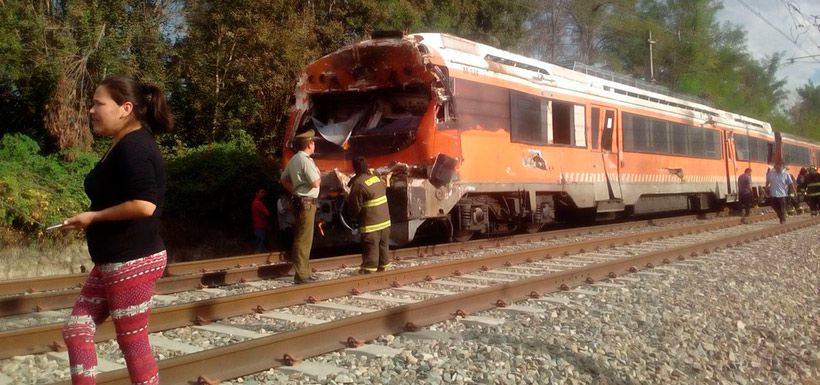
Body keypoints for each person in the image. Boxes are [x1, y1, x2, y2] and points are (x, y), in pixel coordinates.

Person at [60, 75, 171, 385]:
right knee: (76, 330)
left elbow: (145, 204)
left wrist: (93, 217)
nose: (91, 110)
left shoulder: (134, 146)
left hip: (132, 259)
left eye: (98, 103)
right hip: (114, 260)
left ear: (125, 108)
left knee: (133, 342)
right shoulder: (123, 142)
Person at [280, 129, 321, 284]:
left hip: (300, 201)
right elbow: (315, 182)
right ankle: (302, 274)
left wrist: (296, 192)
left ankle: (305, 271)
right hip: (308, 203)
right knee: (304, 239)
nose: (314, 144)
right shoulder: (306, 160)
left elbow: (283, 180)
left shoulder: (294, 159)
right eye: (313, 142)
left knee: (302, 236)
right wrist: (317, 175)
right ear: (309, 144)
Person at [346, 156, 392, 273]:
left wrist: (351, 217)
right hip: (385, 223)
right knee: (383, 250)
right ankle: (384, 271)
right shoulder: (376, 179)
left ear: (355, 169)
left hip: (371, 226)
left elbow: (355, 207)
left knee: (371, 252)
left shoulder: (358, 184)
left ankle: (368, 273)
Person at [251, 188, 271, 252]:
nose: (263, 194)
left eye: (263, 192)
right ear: (256, 193)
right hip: (260, 226)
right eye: (261, 192)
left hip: (258, 225)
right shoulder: (258, 203)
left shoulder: (255, 203)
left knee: (260, 244)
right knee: (260, 246)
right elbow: (267, 213)